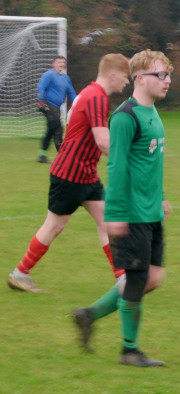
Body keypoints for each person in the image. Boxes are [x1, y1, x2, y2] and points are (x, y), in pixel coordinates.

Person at [71, 49, 172, 368]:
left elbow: (148, 165)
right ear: (140, 79)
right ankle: (130, 350)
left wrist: (161, 195)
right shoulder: (125, 117)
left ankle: (88, 315)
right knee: (138, 279)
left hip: (151, 212)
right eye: (161, 75)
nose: (167, 81)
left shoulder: (153, 113)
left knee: (153, 278)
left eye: (169, 75)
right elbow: (117, 167)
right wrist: (113, 216)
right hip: (132, 216)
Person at [7, 54, 131, 293]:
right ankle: (20, 273)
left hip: (85, 174)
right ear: (113, 75)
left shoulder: (90, 92)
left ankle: (123, 279)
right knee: (54, 226)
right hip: (70, 174)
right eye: (125, 77)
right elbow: (103, 141)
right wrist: (127, 164)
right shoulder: (97, 98)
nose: (126, 82)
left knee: (106, 221)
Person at [37, 56, 78, 163]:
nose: (62, 64)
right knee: (58, 128)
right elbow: (41, 87)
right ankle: (63, 157)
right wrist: (41, 101)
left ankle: (42, 155)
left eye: (63, 62)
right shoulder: (49, 74)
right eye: (59, 62)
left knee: (51, 130)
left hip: (57, 108)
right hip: (48, 105)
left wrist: (77, 103)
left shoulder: (66, 78)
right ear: (53, 64)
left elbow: (71, 93)